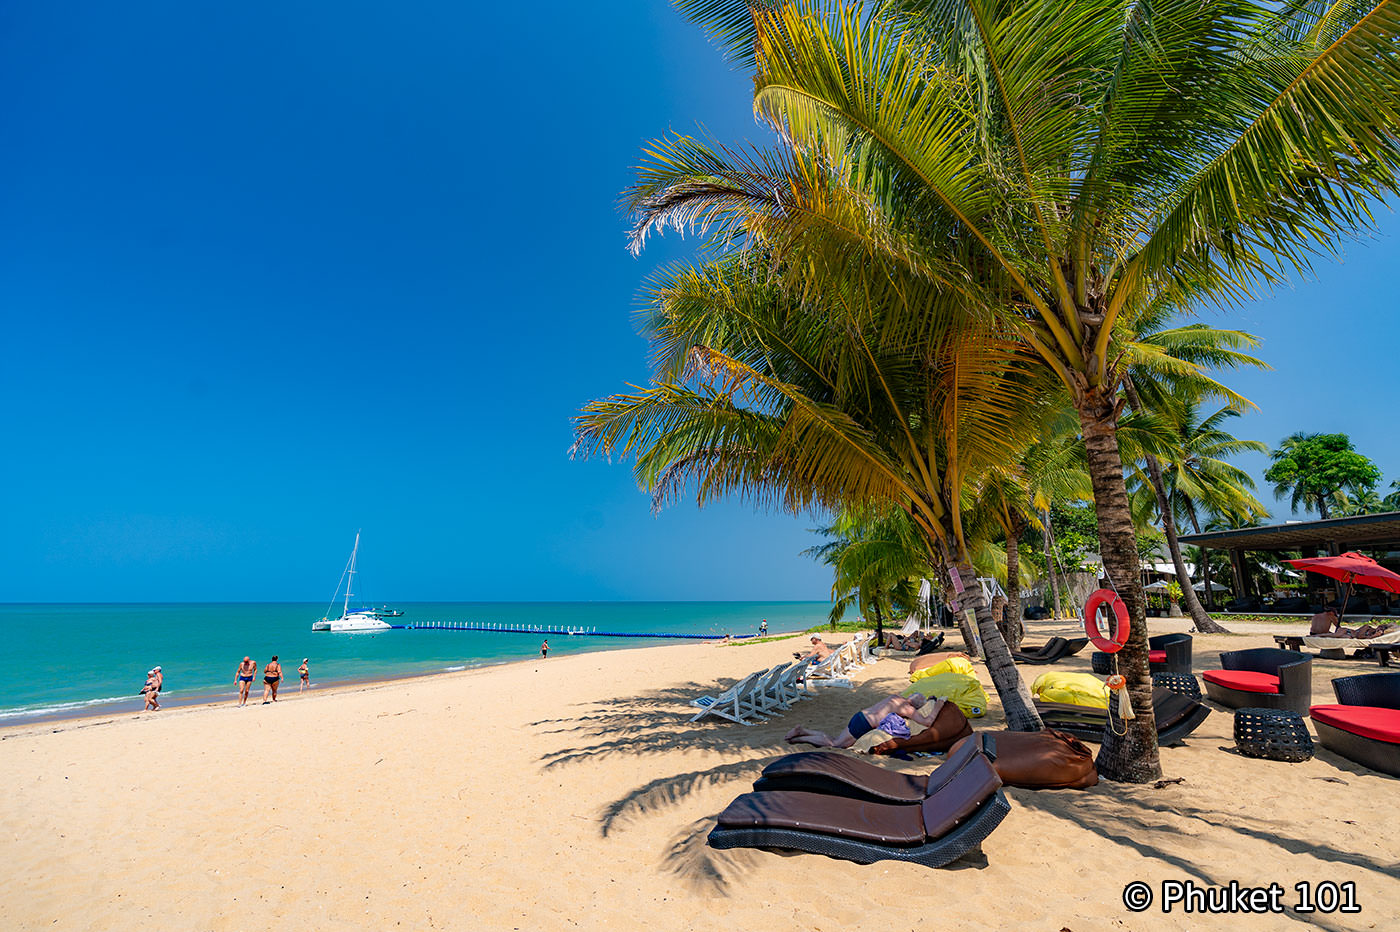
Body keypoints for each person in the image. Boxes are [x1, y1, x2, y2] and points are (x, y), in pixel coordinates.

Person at [784, 692, 947, 749]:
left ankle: (804, 731)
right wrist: (938, 704)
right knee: (836, 744)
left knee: (835, 739)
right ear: (916, 705)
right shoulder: (907, 709)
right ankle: (799, 738)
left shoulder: (896, 698)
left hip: (860, 716)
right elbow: (927, 721)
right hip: (865, 724)